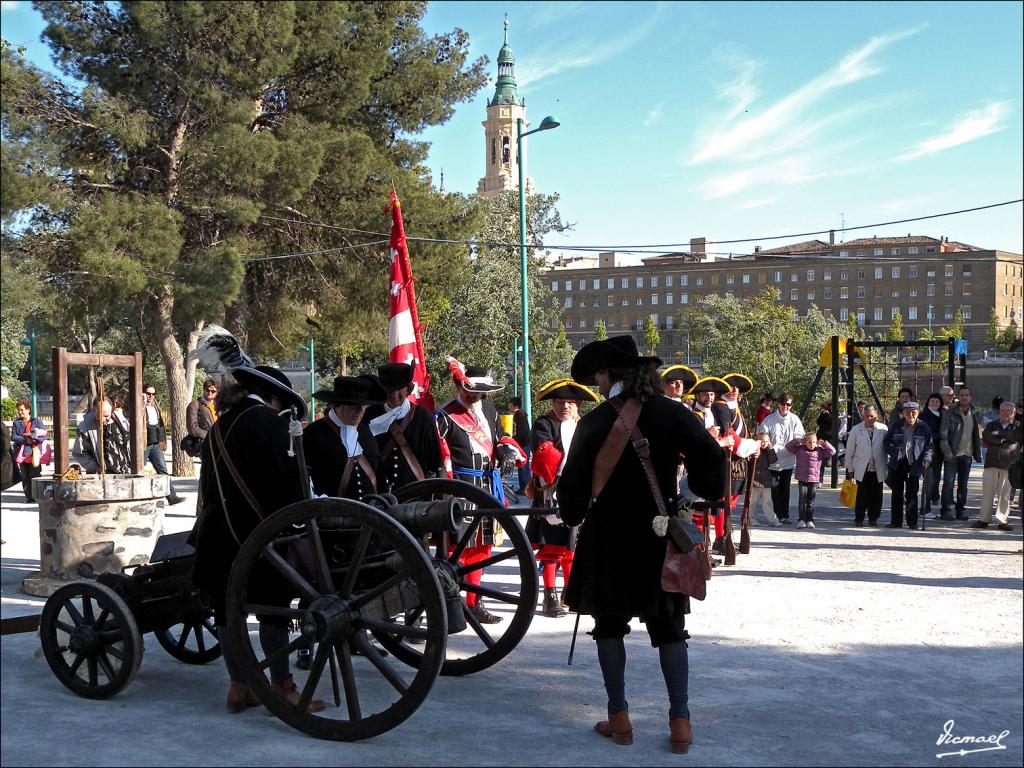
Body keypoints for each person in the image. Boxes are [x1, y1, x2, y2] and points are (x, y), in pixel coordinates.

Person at [557, 335, 726, 754]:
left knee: (609, 626)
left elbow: (573, 495)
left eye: (598, 375)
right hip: (660, 534)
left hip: (609, 539)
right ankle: (681, 722)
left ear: (607, 375)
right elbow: (713, 460)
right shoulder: (672, 413)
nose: (596, 383)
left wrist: (575, 511)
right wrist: (695, 488)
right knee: (670, 630)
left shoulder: (594, 422)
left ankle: (619, 719)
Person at [190, 364, 321, 713]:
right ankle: (282, 686)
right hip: (261, 536)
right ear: (273, 396)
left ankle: (239, 687)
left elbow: (208, 489)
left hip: (218, 535)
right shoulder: (269, 422)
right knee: (273, 612)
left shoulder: (218, 428)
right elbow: (290, 481)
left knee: (226, 613)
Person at [436, 359, 526, 624]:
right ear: (459, 386)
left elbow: (501, 438)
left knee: (483, 548)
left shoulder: (489, 409)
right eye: (472, 391)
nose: (477, 396)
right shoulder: (445, 415)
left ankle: (475, 602)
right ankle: (454, 602)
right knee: (459, 549)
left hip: (489, 486)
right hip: (462, 488)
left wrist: (506, 452)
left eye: (481, 392)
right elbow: (442, 456)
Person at [525, 378, 597, 618]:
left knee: (573, 545)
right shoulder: (543, 423)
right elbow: (543, 454)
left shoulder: (584, 425)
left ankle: (570, 591)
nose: (565, 406)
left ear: (578, 405)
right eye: (560, 402)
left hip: (581, 491)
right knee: (553, 547)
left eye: (570, 402)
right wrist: (573, 465)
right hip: (550, 491)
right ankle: (549, 595)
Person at [362, 363, 444, 493]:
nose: (395, 395)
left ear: (408, 389)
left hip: (414, 496)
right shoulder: (368, 415)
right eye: (389, 390)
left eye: (400, 388)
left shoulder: (423, 417)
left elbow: (436, 461)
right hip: (379, 496)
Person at [303, 375, 386, 499]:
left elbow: (380, 474)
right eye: (353, 405)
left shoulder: (366, 433)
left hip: (372, 513)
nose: (359, 411)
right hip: (331, 514)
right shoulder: (313, 434)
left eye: (363, 406)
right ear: (336, 405)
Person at [690, 377, 736, 554]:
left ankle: (706, 551)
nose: (709, 397)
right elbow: (695, 445)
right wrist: (720, 442)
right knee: (698, 514)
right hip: (697, 469)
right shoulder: (694, 415)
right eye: (705, 394)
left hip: (712, 469)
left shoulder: (711, 414)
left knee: (709, 512)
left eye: (711, 394)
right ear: (698, 395)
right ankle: (699, 551)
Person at [884, 402, 933, 529]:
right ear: (903, 413)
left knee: (912, 494)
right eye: (907, 412)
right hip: (899, 462)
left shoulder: (924, 427)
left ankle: (912, 522)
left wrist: (927, 458)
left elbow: (929, 446)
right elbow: (886, 441)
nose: (910, 415)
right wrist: (893, 451)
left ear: (918, 413)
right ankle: (896, 522)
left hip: (915, 463)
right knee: (897, 492)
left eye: (913, 412)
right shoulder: (897, 425)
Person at [760, 393, 805, 524]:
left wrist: (795, 443)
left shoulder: (795, 419)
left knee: (785, 489)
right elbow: (761, 433)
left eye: (788, 404)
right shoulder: (769, 419)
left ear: (791, 405)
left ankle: (784, 515)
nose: (785, 406)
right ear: (778, 404)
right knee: (773, 489)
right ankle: (776, 515)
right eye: (783, 403)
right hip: (772, 459)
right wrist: (767, 444)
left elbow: (800, 436)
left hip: (787, 460)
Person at [975, 401, 1021, 531]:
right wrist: (1003, 439)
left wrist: (999, 435)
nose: (1005, 413)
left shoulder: (1018, 426)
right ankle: (983, 519)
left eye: (1008, 411)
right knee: (987, 493)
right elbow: (986, 437)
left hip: (1009, 464)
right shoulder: (991, 424)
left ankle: (1002, 520)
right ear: (999, 411)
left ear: (1014, 413)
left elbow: (1015, 438)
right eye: (1002, 410)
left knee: (1005, 494)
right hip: (991, 462)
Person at [939, 387, 983, 521]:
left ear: (970, 397)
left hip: (967, 454)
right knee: (948, 483)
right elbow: (943, 434)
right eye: (962, 395)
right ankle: (946, 510)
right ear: (958, 397)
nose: (964, 397)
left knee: (963, 485)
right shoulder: (950, 412)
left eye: (967, 395)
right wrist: (947, 451)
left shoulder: (975, 412)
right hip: (952, 454)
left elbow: (976, 433)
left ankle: (960, 509)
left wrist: (977, 453)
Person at [845, 405, 888, 527]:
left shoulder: (883, 429)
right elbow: (849, 451)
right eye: (866, 416)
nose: (869, 418)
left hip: (878, 467)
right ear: (863, 416)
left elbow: (887, 448)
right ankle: (859, 518)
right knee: (861, 495)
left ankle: (873, 518)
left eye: (872, 416)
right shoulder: (856, 429)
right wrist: (850, 469)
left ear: (877, 416)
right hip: (861, 467)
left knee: (876, 495)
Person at [142, 386, 185, 505]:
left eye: (153, 394)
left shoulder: (156, 406)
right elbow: (136, 416)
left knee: (163, 471)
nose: (151, 396)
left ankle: (171, 496)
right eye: (148, 393)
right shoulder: (139, 406)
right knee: (138, 472)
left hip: (155, 444)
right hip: (144, 444)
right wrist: (142, 402)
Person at [786, 433, 836, 529]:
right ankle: (801, 519)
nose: (812, 444)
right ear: (805, 442)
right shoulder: (800, 449)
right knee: (802, 500)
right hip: (802, 478)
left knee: (811, 501)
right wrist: (797, 440)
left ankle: (809, 519)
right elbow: (788, 447)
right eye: (809, 442)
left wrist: (825, 443)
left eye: (813, 442)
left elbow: (832, 451)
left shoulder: (820, 451)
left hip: (814, 479)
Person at [72, 396, 132, 474]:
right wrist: (94, 467)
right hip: (102, 475)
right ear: (94, 411)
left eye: (106, 416)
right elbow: (80, 453)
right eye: (98, 416)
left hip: (126, 472)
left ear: (112, 409)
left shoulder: (124, 422)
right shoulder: (85, 428)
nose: (102, 420)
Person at [11, 400, 48, 502]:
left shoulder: (37, 422)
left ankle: (37, 495)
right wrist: (25, 440)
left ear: (28, 409)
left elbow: (44, 435)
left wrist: (34, 440)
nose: (20, 412)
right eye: (18, 410)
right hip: (22, 454)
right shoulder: (16, 423)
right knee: (25, 476)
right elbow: (13, 437)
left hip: (34, 452)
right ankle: (29, 497)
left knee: (35, 474)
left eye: (22, 410)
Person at [919, 393, 945, 519]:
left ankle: (932, 501)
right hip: (927, 453)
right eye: (932, 401)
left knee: (935, 481)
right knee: (928, 482)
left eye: (937, 401)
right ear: (928, 402)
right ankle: (925, 509)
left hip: (939, 454)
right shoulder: (923, 416)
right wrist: (940, 436)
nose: (934, 403)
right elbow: (925, 434)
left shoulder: (943, 416)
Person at [749, 429, 780, 526]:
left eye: (766, 441)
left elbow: (773, 460)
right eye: (762, 441)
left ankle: (772, 519)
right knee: (753, 501)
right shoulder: (753, 449)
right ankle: (751, 518)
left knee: (767, 501)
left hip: (766, 479)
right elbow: (749, 463)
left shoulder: (768, 450)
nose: (764, 443)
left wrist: (770, 448)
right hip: (755, 479)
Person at [507, 396, 532, 493]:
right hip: (525, 443)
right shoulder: (521, 414)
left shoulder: (519, 414)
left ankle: (524, 488)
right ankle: (526, 488)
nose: (509, 406)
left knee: (522, 466)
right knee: (524, 466)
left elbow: (523, 431)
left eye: (510, 404)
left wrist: (514, 439)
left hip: (523, 444)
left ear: (515, 405)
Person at [186, 378, 219, 445]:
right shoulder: (194, 405)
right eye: (207, 390)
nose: (210, 393)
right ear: (203, 390)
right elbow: (192, 428)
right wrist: (210, 436)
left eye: (213, 391)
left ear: (216, 392)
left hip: (219, 441)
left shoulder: (219, 405)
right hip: (205, 443)